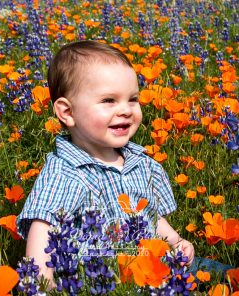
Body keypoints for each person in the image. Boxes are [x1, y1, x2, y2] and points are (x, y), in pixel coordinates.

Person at [16, 40, 231, 285]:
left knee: (225, 274)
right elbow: (43, 228)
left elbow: (150, 215)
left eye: (133, 99)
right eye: (109, 100)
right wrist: (42, 284)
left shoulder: (140, 163)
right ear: (67, 112)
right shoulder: (63, 173)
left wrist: (176, 241)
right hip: (100, 279)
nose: (126, 110)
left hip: (154, 265)